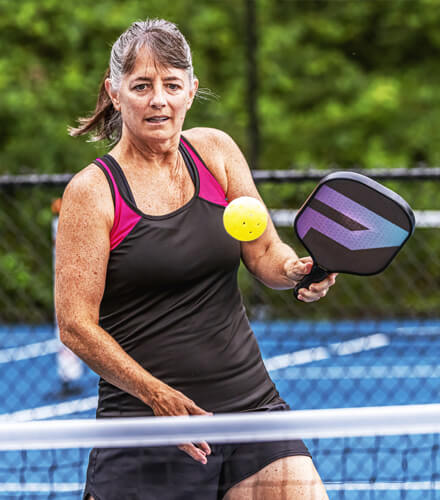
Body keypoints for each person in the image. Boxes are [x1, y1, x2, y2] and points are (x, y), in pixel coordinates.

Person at [55, 18, 337, 500]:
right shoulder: (92, 191)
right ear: (115, 92)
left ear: (192, 90)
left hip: (251, 408)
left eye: (171, 84)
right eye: (141, 85)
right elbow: (75, 325)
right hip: (147, 428)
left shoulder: (216, 152)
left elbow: (266, 252)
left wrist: (295, 271)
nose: (157, 99)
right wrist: (156, 396)